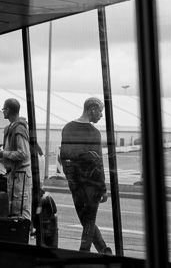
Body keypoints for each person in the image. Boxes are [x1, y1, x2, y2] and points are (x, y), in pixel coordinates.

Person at [60, 97, 111, 254]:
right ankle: (84, 253)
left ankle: (104, 250)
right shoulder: (94, 133)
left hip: (75, 183)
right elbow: (98, 164)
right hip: (91, 184)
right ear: (93, 109)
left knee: (86, 220)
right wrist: (103, 188)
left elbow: (63, 156)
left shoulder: (67, 128)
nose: (101, 116)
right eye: (100, 111)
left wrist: (71, 177)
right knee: (88, 221)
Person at [0, 98, 32, 220]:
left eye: (4, 108)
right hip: (13, 174)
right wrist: (1, 156)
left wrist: (4, 153)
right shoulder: (10, 128)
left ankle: (22, 234)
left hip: (20, 174)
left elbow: (23, 154)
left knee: (20, 208)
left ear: (8, 110)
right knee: (14, 209)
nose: (3, 111)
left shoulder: (19, 128)